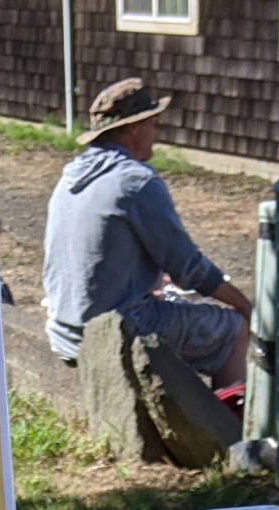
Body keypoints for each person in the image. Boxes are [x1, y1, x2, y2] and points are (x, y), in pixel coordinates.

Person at [42, 77, 253, 388]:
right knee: (232, 330)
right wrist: (245, 306)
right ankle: (227, 431)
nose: (156, 132)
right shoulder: (135, 180)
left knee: (172, 306)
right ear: (133, 128)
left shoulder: (70, 178)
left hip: (64, 330)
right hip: (113, 330)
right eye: (153, 123)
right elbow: (189, 269)